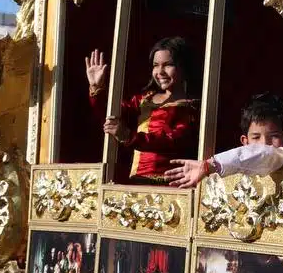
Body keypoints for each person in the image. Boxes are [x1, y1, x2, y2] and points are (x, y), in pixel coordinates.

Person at [86, 38, 200, 183]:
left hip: (170, 183)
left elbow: (171, 140)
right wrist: (97, 87)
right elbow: (111, 114)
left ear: (184, 67)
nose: (160, 72)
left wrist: (128, 136)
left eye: (168, 65)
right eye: (155, 65)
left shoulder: (192, 108)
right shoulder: (143, 100)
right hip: (136, 180)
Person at [166, 93, 283, 189]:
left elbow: (266, 154)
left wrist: (210, 165)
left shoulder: (279, 155)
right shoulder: (232, 170)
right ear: (244, 141)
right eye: (256, 137)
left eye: (274, 136)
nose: (264, 143)